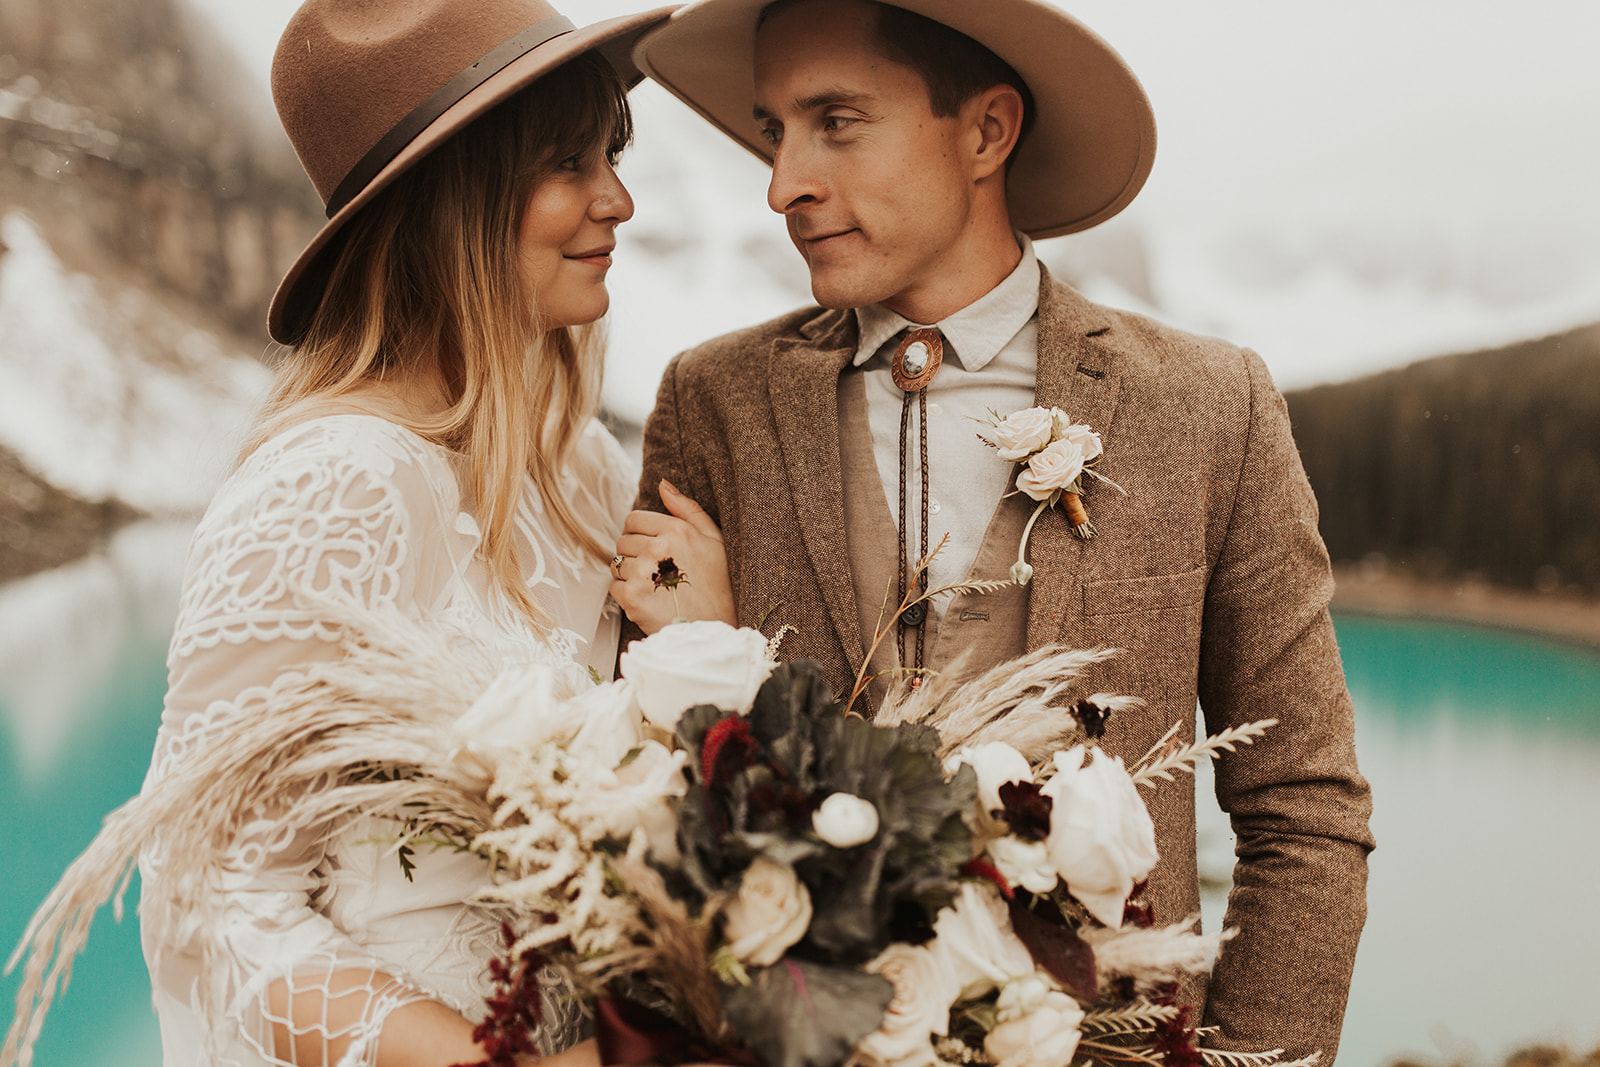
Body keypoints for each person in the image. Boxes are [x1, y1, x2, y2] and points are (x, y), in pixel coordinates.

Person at [611, 0, 1374, 1060]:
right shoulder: (713, 402)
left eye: (834, 121)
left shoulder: (1209, 402)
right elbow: (634, 784)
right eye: (773, 131)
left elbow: (1301, 803)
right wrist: (703, 667)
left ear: (985, 132)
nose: (783, 184)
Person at [2, 2, 680, 1066]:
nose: (618, 199)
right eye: (566, 163)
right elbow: (212, 902)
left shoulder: (581, 468)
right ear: (455, 202)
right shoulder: (328, 484)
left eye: (611, 153)